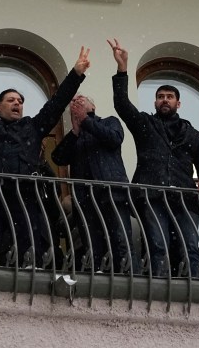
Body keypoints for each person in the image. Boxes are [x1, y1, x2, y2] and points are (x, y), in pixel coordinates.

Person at [0, 48, 90, 267]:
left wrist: (76, 74)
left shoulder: (33, 127)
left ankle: (30, 275)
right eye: (10, 100)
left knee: (30, 244)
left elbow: (56, 104)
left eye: (19, 100)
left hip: (25, 194)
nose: (17, 103)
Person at [107, 38, 199, 278]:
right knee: (158, 246)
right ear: (155, 102)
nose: (165, 100)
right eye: (161, 96)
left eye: (169, 96)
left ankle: (195, 286)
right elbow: (122, 104)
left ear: (178, 103)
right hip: (153, 195)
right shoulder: (146, 124)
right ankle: (159, 286)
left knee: (190, 247)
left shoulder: (193, 134)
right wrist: (122, 69)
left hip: (185, 197)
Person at [51, 94, 133, 273]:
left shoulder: (109, 122)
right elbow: (58, 158)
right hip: (85, 200)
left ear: (92, 105)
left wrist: (86, 120)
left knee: (120, 241)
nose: (76, 103)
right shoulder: (75, 136)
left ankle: (126, 281)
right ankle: (98, 279)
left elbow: (114, 139)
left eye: (80, 100)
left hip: (112, 194)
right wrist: (74, 132)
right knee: (93, 245)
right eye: (73, 102)